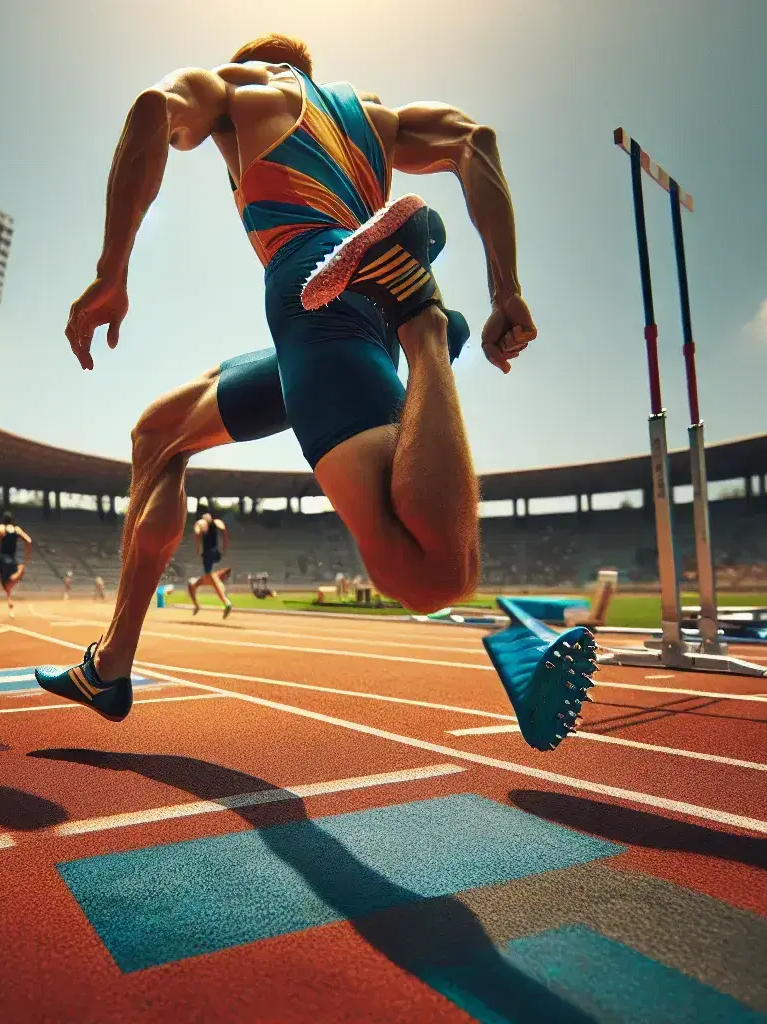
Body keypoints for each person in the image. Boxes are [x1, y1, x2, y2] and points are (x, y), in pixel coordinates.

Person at [40, 34, 579, 745]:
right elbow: (473, 139)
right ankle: (111, 663)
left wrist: (113, 270)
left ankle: (424, 322)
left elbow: (150, 109)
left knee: (433, 577)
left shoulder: (239, 89)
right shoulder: (374, 118)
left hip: (316, 299)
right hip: (348, 304)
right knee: (157, 434)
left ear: (258, 60)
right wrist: (506, 289)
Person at [186, 506, 233, 617]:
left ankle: (226, 602)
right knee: (192, 583)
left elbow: (197, 533)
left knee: (211, 577)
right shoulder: (216, 521)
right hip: (216, 553)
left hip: (208, 554)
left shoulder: (200, 522)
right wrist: (225, 547)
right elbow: (224, 531)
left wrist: (197, 548)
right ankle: (197, 605)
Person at [0, 511, 32, 618]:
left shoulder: (0, 528)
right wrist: (27, 557)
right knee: (10, 581)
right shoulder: (17, 530)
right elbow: (29, 540)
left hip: (3, 559)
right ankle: (10, 599)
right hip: (13, 559)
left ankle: (9, 599)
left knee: (5, 583)